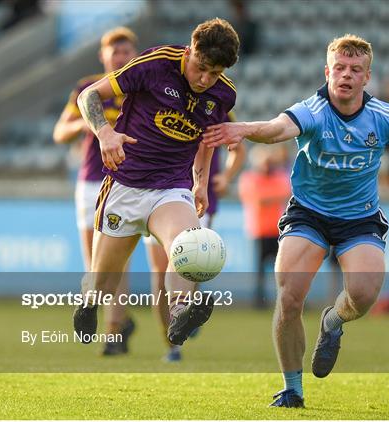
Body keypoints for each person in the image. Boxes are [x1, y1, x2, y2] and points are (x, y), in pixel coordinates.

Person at [203, 34, 389, 407]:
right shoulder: (313, 110)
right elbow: (278, 129)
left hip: (359, 218)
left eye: (355, 70)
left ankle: (334, 320)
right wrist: (246, 129)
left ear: (367, 77)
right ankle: (292, 388)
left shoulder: (383, 117)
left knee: (363, 297)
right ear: (327, 71)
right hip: (309, 214)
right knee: (288, 298)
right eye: (340, 68)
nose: (346, 75)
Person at [72, 18, 240, 349]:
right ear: (191, 50)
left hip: (172, 188)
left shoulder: (223, 95)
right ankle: (90, 301)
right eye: (201, 68)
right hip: (126, 184)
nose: (205, 80)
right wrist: (104, 133)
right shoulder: (156, 63)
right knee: (103, 280)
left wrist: (200, 183)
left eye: (215, 73)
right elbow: (89, 95)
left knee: (188, 247)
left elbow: (207, 139)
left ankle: (180, 313)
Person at [53, 27, 139, 355]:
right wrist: (88, 123)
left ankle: (114, 331)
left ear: (136, 54)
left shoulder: (142, 88)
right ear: (103, 56)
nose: (120, 57)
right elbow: (60, 132)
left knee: (117, 262)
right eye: (115, 52)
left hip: (126, 181)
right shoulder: (88, 89)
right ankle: (120, 322)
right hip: (91, 181)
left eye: (126, 51)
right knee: (95, 266)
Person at [144, 124, 245, 361]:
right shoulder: (153, 98)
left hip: (193, 200)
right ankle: (171, 342)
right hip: (151, 196)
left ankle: (185, 309)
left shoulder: (213, 104)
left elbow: (238, 149)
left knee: (189, 265)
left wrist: (226, 176)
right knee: (159, 274)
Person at [238, 144, 291, 308]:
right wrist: (273, 198)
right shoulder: (249, 178)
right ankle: (259, 300)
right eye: (264, 162)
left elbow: (285, 194)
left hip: (278, 230)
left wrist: (268, 199)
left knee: (282, 268)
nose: (267, 165)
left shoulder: (279, 177)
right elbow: (259, 199)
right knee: (260, 270)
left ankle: (284, 299)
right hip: (258, 230)